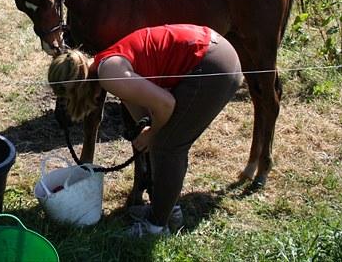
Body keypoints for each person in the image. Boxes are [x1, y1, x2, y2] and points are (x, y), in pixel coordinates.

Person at [47, 24, 242, 236]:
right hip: (213, 53)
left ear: (78, 87)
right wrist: (146, 130)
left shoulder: (110, 74)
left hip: (212, 64)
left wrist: (151, 134)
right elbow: (145, 115)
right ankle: (167, 209)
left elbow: (166, 104)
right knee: (162, 140)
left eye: (67, 98)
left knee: (169, 146)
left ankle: (156, 227)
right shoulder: (107, 66)